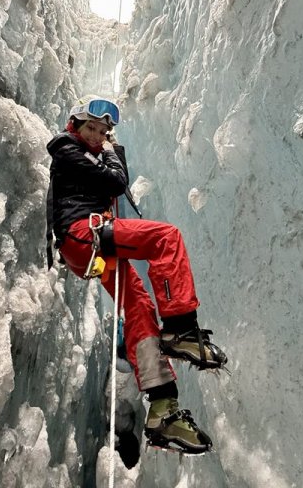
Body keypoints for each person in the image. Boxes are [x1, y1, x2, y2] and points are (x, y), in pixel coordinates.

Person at [45, 95, 228, 454]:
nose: (98, 136)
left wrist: (110, 154)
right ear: (76, 124)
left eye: (103, 131)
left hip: (91, 245)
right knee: (165, 237)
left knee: (140, 308)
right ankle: (180, 328)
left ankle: (163, 409)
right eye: (92, 128)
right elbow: (115, 182)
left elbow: (112, 180)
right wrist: (112, 151)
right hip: (86, 235)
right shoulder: (65, 147)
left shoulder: (88, 152)